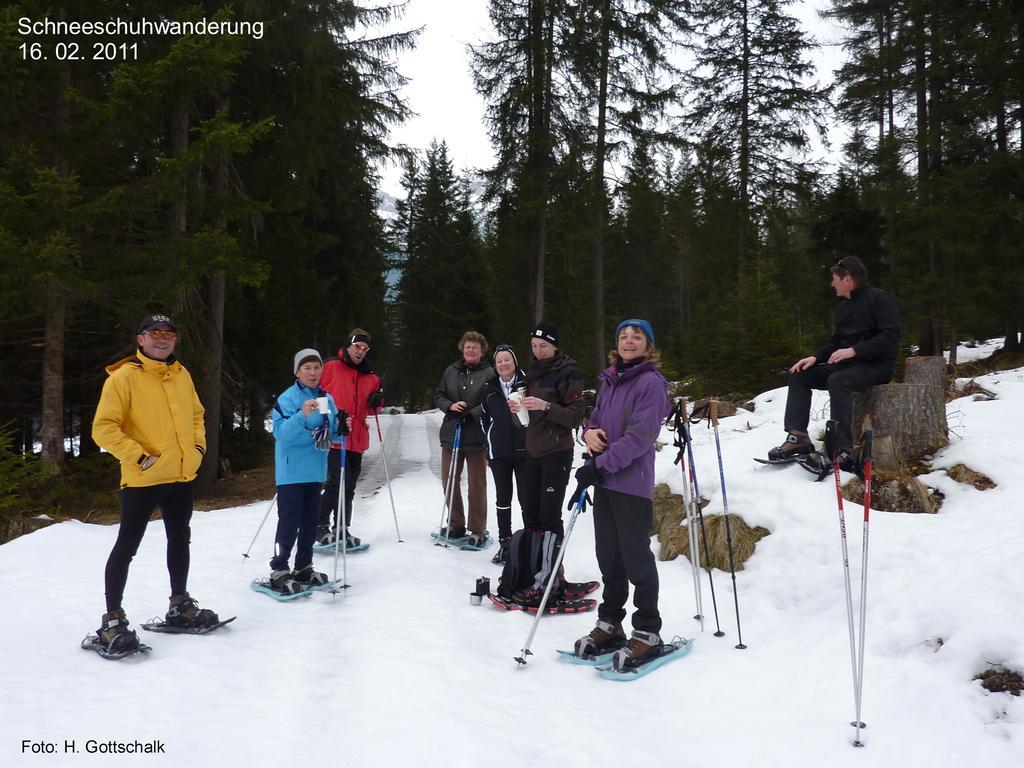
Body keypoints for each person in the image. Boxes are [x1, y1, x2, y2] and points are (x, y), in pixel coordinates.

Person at [90, 313, 220, 654]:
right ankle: (112, 621)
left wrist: (197, 449)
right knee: (126, 547)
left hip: (180, 475)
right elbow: (103, 428)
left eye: (168, 333)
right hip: (143, 478)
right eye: (154, 332)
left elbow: (196, 415)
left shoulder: (182, 374)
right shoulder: (123, 378)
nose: (162, 338)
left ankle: (179, 604)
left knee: (180, 540)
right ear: (140, 339)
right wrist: (140, 457)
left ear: (175, 340)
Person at [572, 319, 671, 666]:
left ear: (648, 344)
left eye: (637, 336)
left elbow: (638, 439)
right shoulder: (610, 379)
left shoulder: (651, 384)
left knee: (636, 559)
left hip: (631, 484)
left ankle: (647, 631)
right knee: (609, 557)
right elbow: (593, 419)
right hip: (606, 483)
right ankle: (610, 622)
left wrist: (597, 466)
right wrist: (589, 433)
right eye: (623, 336)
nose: (629, 341)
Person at [767, 256, 901, 469]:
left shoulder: (879, 298)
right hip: (850, 365)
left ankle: (841, 450)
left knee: (838, 381)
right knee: (800, 374)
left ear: (847, 279)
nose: (832, 284)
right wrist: (815, 358)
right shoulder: (844, 307)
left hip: (877, 366)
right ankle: (798, 437)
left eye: (834, 279)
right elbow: (836, 341)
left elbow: (891, 336)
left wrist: (854, 350)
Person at [508, 321, 586, 597]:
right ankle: (536, 573)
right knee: (530, 512)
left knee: (549, 515)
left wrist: (546, 406)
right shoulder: (530, 375)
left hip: (557, 452)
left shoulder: (568, 373)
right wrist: (517, 412)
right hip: (533, 451)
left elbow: (576, 416)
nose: (538, 350)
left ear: (555, 345)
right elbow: (525, 424)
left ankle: (550, 581)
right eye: (534, 346)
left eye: (543, 345)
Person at [267, 349, 346, 595]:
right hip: (291, 471)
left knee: (311, 522)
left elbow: (330, 433)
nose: (313, 373)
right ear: (297, 372)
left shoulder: (327, 398)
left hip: (315, 470)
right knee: (289, 521)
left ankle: (303, 566)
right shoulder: (287, 398)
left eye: (316, 368)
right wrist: (303, 415)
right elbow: (280, 434)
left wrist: (342, 427)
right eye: (307, 368)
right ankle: (279, 568)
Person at [317, 329, 383, 547]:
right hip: (335, 436)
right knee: (336, 482)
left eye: (365, 349)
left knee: (351, 485)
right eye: (357, 347)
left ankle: (342, 528)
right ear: (348, 345)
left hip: (357, 437)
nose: (360, 352)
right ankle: (321, 526)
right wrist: (330, 418)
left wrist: (377, 401)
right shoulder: (331, 367)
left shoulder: (371, 376)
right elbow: (318, 395)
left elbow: (374, 409)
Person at [432, 331, 495, 546]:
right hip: (452, 433)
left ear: (482, 351)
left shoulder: (489, 373)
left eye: (475, 348)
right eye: (468, 347)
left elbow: (492, 402)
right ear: (462, 348)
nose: (470, 350)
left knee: (477, 484)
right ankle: (456, 523)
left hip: (476, 435)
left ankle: (478, 529)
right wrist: (450, 406)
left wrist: (472, 412)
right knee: (449, 479)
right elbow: (439, 395)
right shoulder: (451, 371)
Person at [480, 344, 528, 565]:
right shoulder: (488, 389)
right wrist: (488, 448)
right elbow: (484, 421)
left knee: (527, 498)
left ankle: (530, 542)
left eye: (507, 359)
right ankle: (505, 543)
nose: (503, 364)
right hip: (499, 452)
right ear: (495, 365)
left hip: (526, 451)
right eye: (499, 361)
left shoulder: (527, 383)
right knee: (503, 498)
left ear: (514, 362)